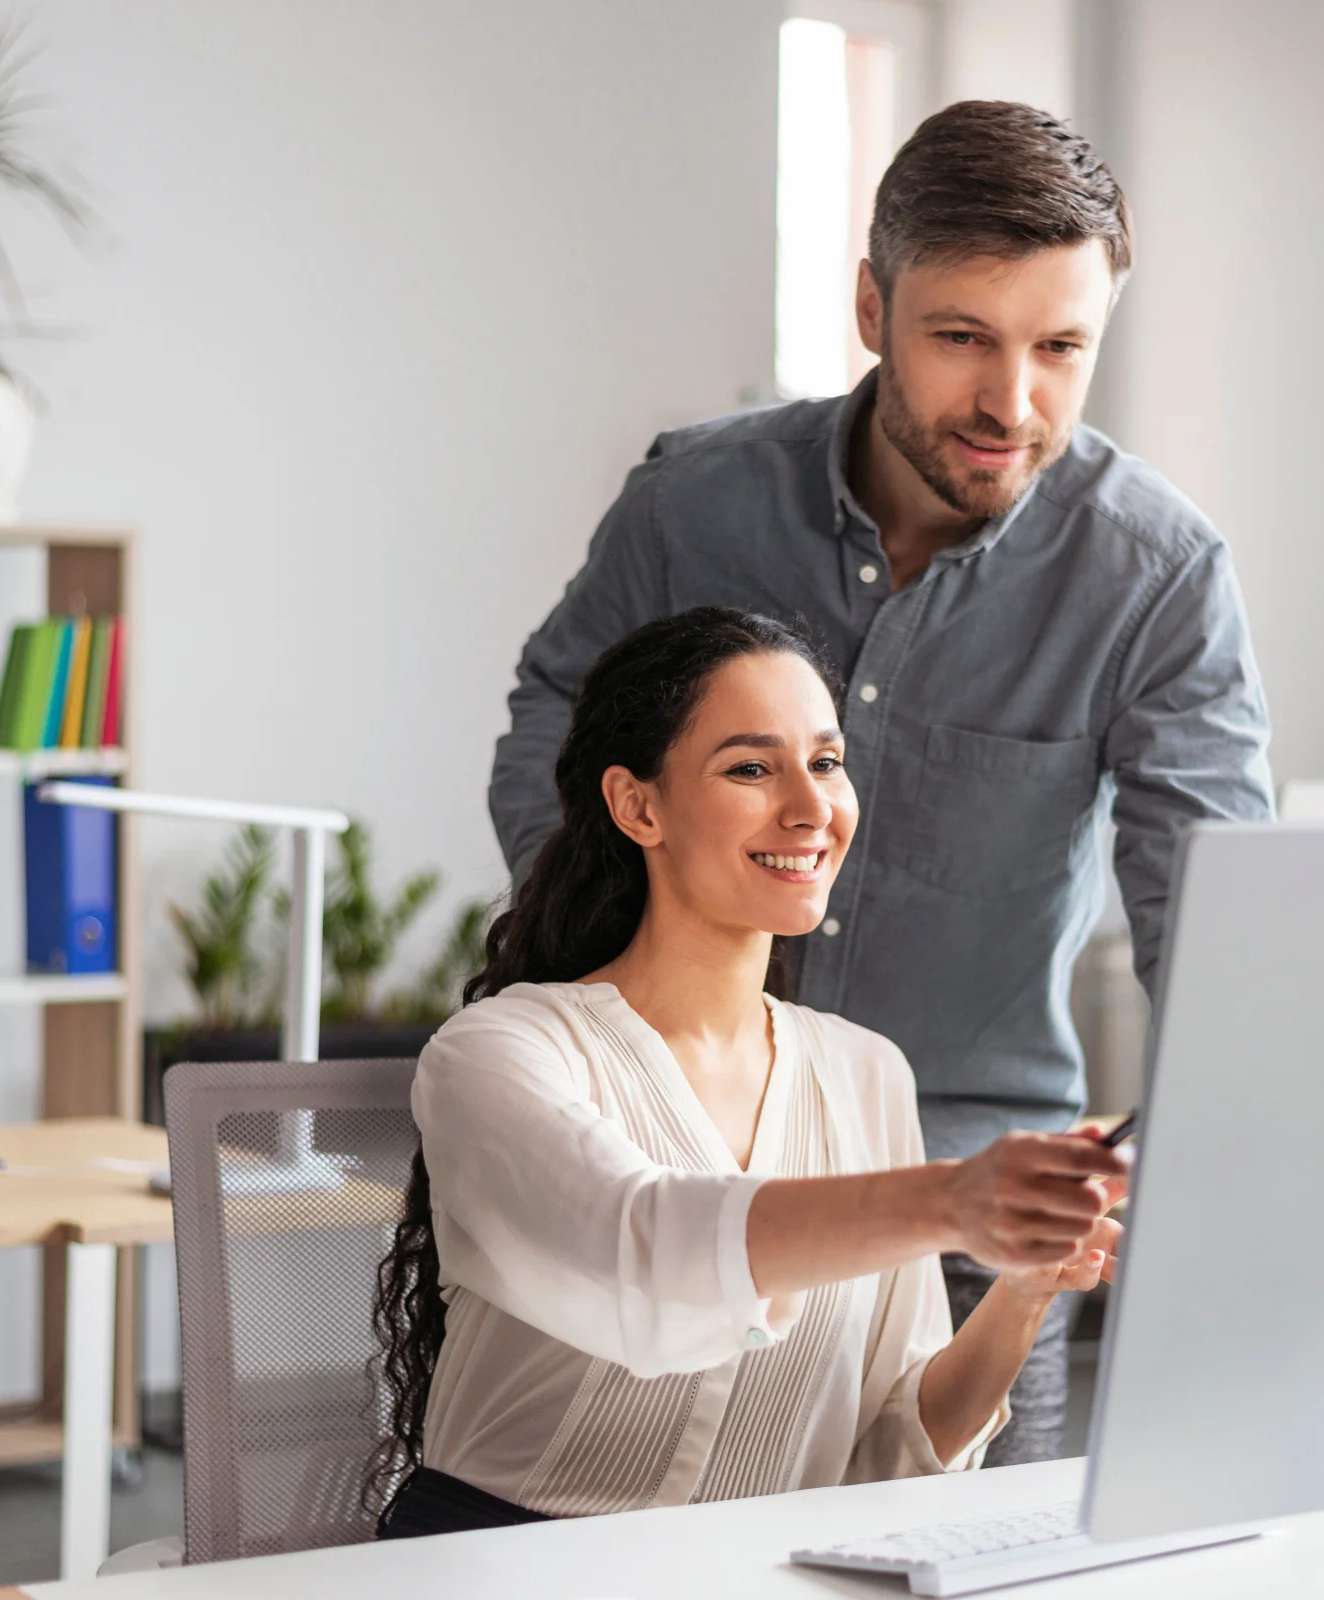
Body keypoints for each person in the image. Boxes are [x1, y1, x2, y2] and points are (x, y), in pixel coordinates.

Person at [489, 100, 1274, 1460]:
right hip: (683, 1178)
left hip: (985, 1228)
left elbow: (1221, 921)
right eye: (962, 335)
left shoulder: (1156, 578)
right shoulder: (693, 507)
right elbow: (555, 730)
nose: (1008, 402)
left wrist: (1220, 1126)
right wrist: (633, 961)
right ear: (871, 304)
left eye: (1060, 348)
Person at [371, 608, 1127, 1536]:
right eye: (750, 769)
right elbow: (645, 1245)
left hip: (750, 1571)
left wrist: (1021, 1289)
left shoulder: (864, 1071)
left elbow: (891, 1453)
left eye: (826, 762)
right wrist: (952, 1202)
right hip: (506, 1567)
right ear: (636, 805)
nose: (812, 810)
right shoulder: (499, 1053)